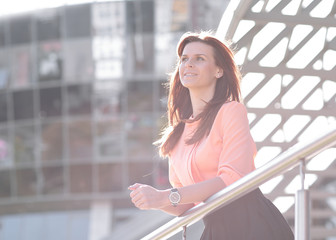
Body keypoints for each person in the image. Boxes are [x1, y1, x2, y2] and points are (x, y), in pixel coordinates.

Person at [129, 31, 294, 240]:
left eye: (199, 59)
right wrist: (155, 201)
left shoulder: (231, 111)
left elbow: (233, 177)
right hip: (215, 231)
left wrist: (164, 196)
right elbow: (185, 204)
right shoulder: (176, 135)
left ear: (218, 71)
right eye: (184, 59)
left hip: (253, 224)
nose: (188, 64)